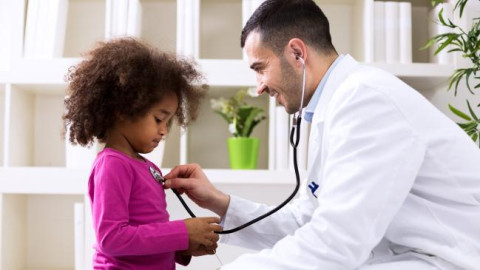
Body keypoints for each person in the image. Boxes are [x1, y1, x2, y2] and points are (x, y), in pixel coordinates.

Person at [163, 0, 480, 269]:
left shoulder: (366, 100)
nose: (258, 86)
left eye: (260, 68)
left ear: (297, 53)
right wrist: (220, 203)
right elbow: (308, 222)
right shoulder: (336, 105)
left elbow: (336, 242)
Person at [62, 38, 222, 269]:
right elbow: (112, 239)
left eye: (168, 122)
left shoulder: (147, 166)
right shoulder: (112, 165)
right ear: (122, 110)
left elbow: (143, 235)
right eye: (159, 119)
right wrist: (182, 231)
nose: (164, 131)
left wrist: (182, 245)